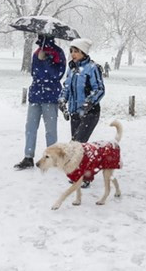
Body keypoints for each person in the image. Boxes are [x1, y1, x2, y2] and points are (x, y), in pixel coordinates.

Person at [14, 35, 66, 170]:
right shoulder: (37, 52)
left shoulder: (58, 53)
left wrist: (47, 61)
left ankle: (53, 157)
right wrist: (39, 59)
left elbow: (57, 74)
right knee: (30, 128)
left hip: (50, 95)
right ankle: (28, 156)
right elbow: (34, 72)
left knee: (50, 130)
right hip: (35, 95)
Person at [59, 38, 105, 188]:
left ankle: (85, 177)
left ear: (84, 52)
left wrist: (88, 103)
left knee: (79, 145)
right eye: (71, 51)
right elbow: (66, 87)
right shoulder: (72, 68)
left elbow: (99, 89)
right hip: (75, 112)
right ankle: (79, 173)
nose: (73, 54)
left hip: (90, 113)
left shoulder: (92, 68)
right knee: (75, 144)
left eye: (76, 51)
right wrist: (62, 100)